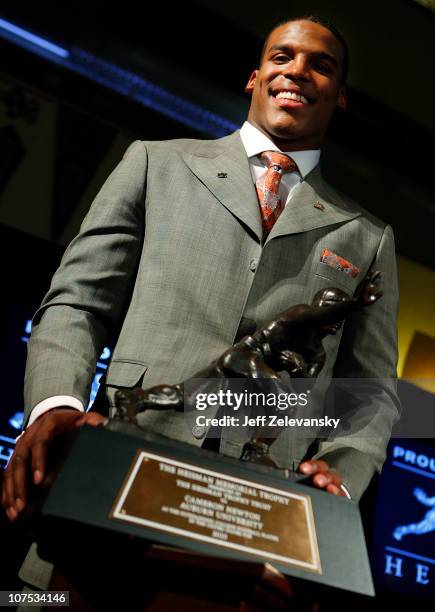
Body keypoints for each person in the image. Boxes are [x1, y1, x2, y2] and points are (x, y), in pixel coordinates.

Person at [2, 15, 399, 537]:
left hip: (264, 502)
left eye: (320, 66)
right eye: (282, 57)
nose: (298, 71)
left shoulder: (367, 236)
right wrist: (56, 406)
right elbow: (78, 304)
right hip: (117, 457)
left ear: (340, 96)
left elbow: (369, 392)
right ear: (254, 78)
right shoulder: (155, 164)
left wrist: (339, 481)